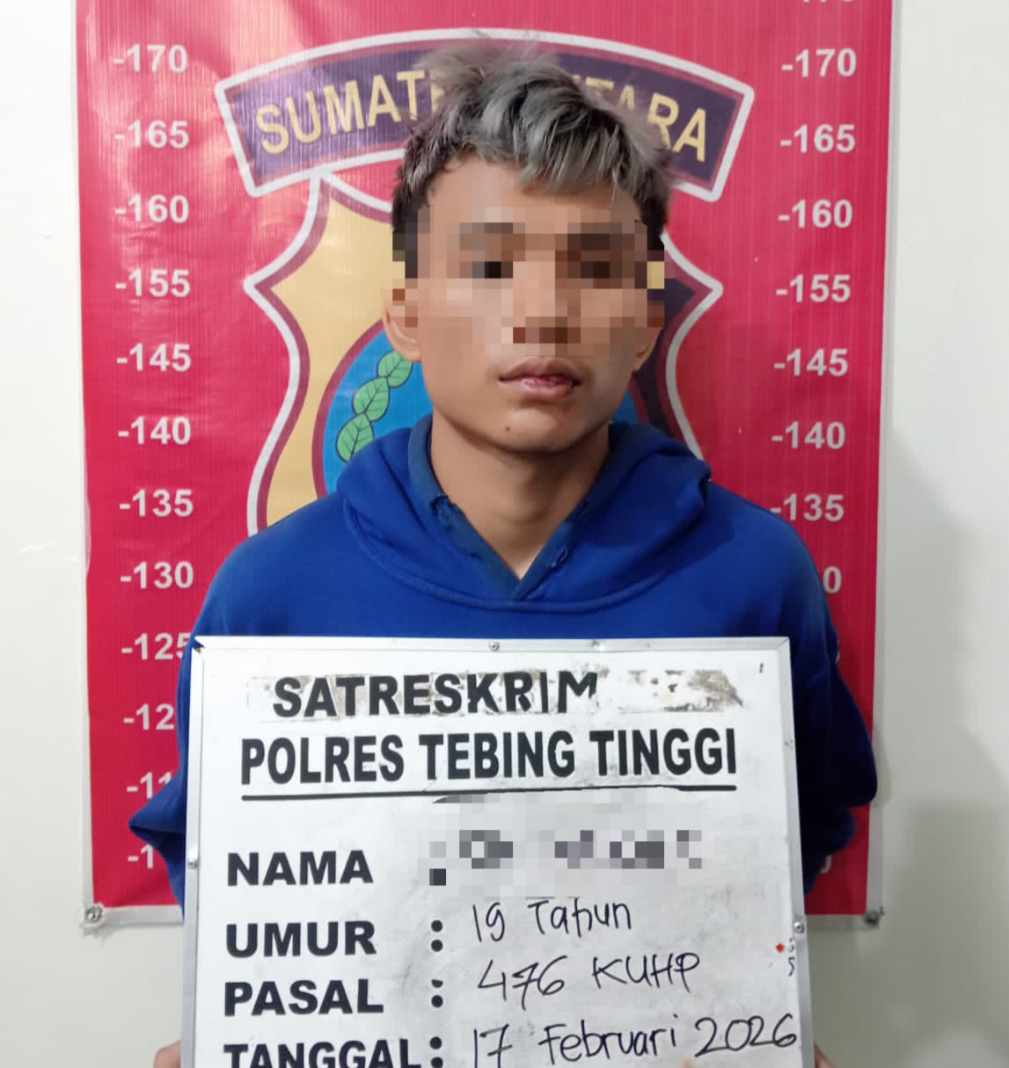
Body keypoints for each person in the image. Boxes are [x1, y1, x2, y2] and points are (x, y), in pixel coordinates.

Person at [137, 41, 873, 1068]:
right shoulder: (272, 596)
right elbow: (231, 876)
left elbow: (801, 830)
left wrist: (752, 1015)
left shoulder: (754, 575)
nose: (540, 311)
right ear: (405, 313)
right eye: (488, 266)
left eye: (594, 268)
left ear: (644, 322)